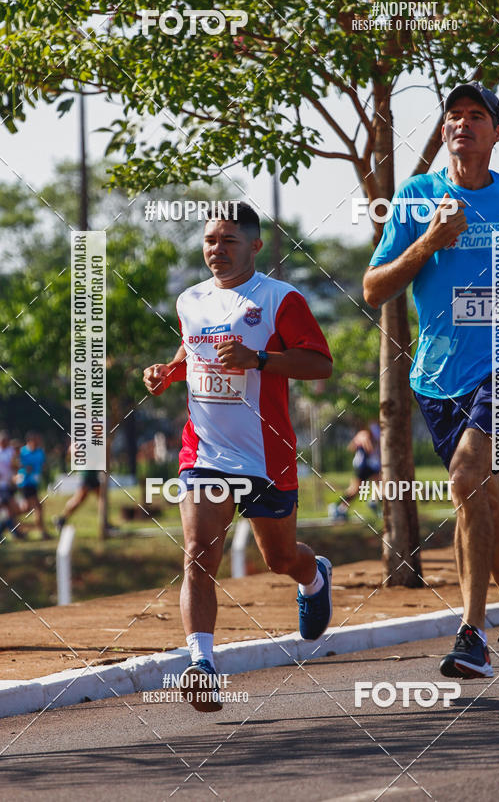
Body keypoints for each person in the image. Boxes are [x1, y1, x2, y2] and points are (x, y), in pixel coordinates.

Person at [363, 81, 499, 685]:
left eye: (476, 116)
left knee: (466, 476)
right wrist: (428, 241)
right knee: (484, 497)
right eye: (453, 116)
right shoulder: (415, 197)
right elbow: (375, 289)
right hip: (437, 377)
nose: (462, 124)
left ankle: (472, 633)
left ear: (497, 133)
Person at [143, 202, 333, 711]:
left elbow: (319, 364)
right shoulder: (190, 300)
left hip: (266, 457)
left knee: (279, 559)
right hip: (203, 451)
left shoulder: (280, 299)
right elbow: (193, 352)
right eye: (209, 240)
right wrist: (169, 371)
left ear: (255, 245)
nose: (216, 250)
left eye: (228, 240)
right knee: (199, 552)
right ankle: (201, 665)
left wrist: (261, 359)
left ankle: (313, 578)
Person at [333, 423, 381, 519]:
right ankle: (338, 507)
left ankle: (373, 502)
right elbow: (356, 448)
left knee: (381, 484)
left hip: (372, 465)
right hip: (363, 465)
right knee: (355, 490)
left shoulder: (378, 429)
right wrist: (361, 443)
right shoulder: (365, 433)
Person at [53, 460, 103, 532]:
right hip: (89, 474)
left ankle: (61, 519)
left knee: (99, 498)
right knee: (80, 499)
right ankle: (61, 519)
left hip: (90, 473)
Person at [16, 432, 49, 539]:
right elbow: (15, 464)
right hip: (25, 483)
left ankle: (9, 517)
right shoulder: (23, 452)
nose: (38, 442)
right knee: (37, 506)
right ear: (30, 441)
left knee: (27, 508)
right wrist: (24, 468)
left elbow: (43, 464)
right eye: (36, 440)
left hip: (34, 483)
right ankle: (42, 532)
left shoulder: (40, 452)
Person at [0, 431, 25, 539]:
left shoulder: (11, 452)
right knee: (9, 508)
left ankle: (13, 531)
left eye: (5, 441)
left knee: (9, 510)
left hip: (9, 484)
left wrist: (14, 468)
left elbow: (17, 466)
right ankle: (15, 532)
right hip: (2, 486)